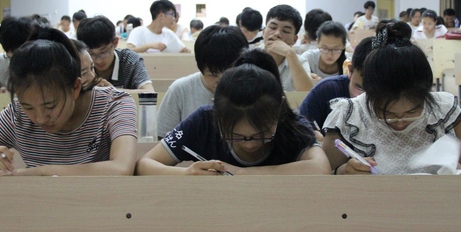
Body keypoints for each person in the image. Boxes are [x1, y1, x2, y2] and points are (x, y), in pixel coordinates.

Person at [0, 28, 139, 177]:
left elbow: (121, 169)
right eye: (28, 107)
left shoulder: (114, 104)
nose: (40, 118)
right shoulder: (16, 115)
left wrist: (40, 173)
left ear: (75, 87)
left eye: (50, 106)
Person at [322, 21, 461, 175]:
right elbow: (321, 176)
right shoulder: (350, 115)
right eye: (387, 114)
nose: (400, 121)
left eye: (412, 112)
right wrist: (343, 171)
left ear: (426, 95)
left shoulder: (442, 109)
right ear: (368, 94)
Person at [136, 50, 331, 175]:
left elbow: (321, 168)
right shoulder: (203, 120)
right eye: (236, 136)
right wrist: (186, 173)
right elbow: (145, 164)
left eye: (261, 134)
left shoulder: (292, 124)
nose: (250, 144)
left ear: (279, 110)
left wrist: (243, 173)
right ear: (217, 111)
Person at [157, 25, 248, 138]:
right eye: (213, 75)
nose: (221, 81)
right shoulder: (180, 89)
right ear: (201, 68)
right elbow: (162, 138)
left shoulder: (253, 89)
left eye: (229, 74)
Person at [299, 36, 373, 130]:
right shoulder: (326, 91)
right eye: (360, 88)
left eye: (376, 94)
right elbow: (301, 129)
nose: (364, 98)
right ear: (350, 71)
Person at [77, 15, 153, 91]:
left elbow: (149, 92)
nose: (98, 60)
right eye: (91, 54)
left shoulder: (130, 61)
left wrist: (112, 92)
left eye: (103, 52)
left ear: (115, 42)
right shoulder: (79, 62)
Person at [262, 4, 313, 92]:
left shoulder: (300, 61)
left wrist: (289, 53)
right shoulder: (250, 56)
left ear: (295, 39)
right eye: (273, 27)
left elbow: (306, 93)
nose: (277, 34)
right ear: (263, 31)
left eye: (286, 31)